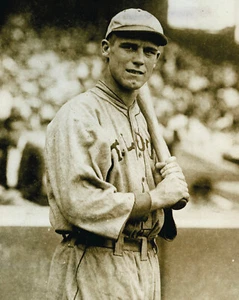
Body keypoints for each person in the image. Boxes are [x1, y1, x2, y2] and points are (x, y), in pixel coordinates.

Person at [45, 8, 189, 300]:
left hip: (146, 262)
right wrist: (157, 197)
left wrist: (164, 184)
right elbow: (81, 203)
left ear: (157, 60)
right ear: (105, 49)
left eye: (149, 52)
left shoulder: (142, 119)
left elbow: (165, 201)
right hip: (95, 259)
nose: (139, 59)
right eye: (129, 47)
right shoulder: (78, 116)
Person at [0, 108, 47, 205]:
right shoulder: (4, 151)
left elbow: (36, 182)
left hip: (28, 199)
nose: (13, 134)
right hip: (6, 196)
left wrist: (20, 194)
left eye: (17, 130)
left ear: (23, 130)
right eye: (10, 131)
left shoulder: (34, 152)